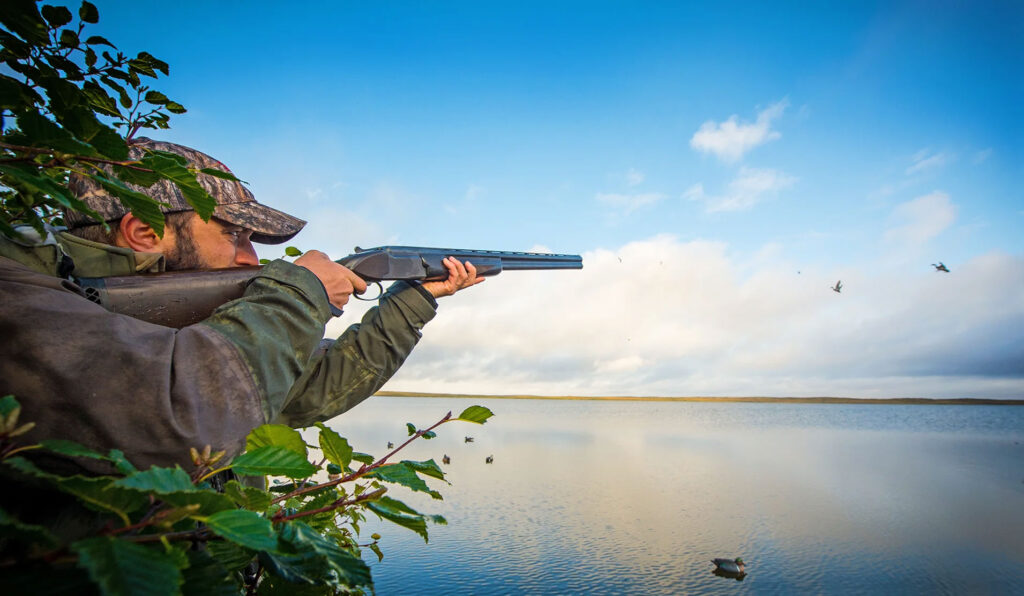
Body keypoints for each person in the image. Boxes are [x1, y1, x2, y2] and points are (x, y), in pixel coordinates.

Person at [0, 137, 484, 478]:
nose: (252, 259)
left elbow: (309, 392)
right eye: (233, 235)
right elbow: (185, 418)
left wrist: (415, 298)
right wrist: (298, 291)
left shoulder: (185, 315)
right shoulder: (18, 294)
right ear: (145, 232)